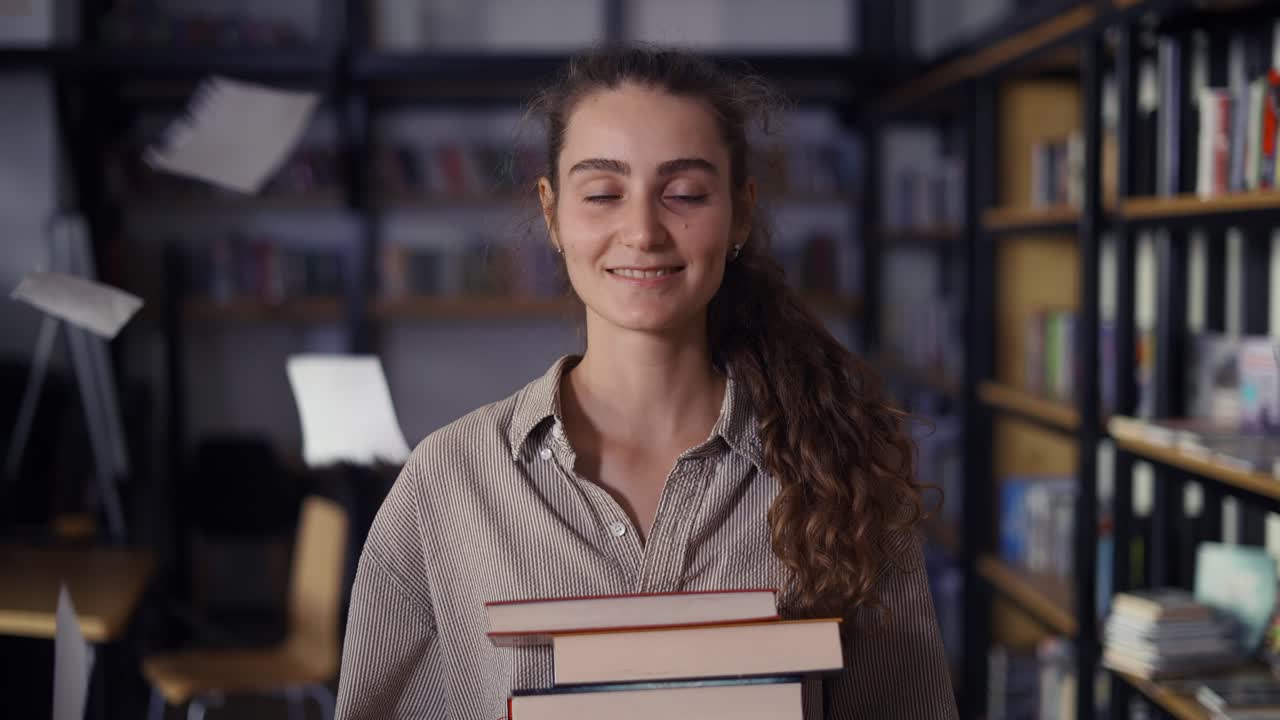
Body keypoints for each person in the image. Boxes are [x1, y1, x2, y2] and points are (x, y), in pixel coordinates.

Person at [335, 45, 957, 720]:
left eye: (684, 194)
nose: (642, 231)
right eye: (603, 194)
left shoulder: (842, 473)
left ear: (740, 212)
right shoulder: (446, 482)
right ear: (552, 214)